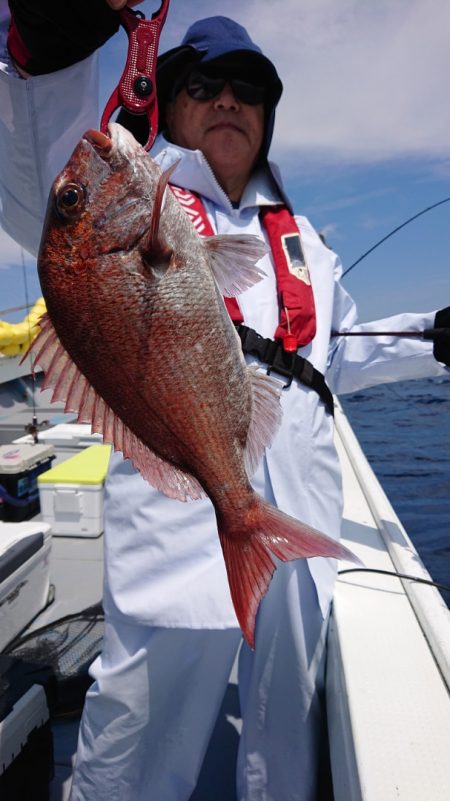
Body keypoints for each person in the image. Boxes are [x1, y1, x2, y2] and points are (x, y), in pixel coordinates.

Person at [1, 3, 449, 800]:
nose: (228, 100)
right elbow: (41, 174)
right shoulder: (135, 192)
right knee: (137, 746)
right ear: (169, 104)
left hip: (295, 518)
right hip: (176, 524)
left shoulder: (305, 240)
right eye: (203, 86)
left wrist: (433, 338)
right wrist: (48, 42)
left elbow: (331, 354)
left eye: (248, 88)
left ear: (268, 115)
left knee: (286, 735)